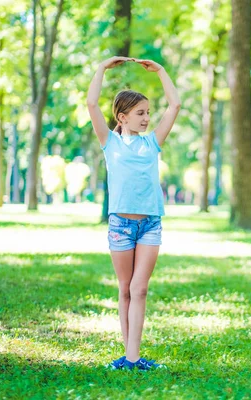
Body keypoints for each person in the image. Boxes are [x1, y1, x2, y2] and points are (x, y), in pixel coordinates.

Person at [87, 56, 181, 370]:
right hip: (120, 226)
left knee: (140, 288)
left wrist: (162, 71)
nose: (146, 118)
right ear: (122, 116)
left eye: (148, 113)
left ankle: (132, 358)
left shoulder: (152, 143)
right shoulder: (109, 142)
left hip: (150, 224)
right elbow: (91, 105)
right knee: (125, 290)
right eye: (140, 114)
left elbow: (175, 105)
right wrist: (101, 69)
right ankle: (129, 356)